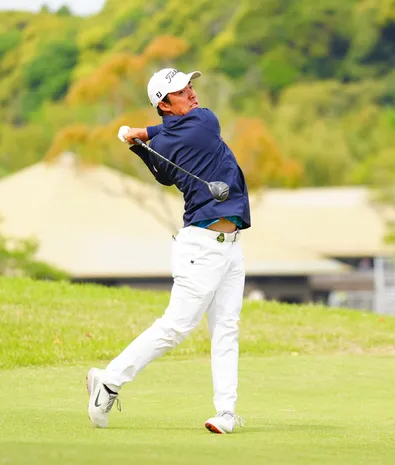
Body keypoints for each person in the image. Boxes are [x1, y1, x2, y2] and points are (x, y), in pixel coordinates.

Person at [85, 67, 251, 434]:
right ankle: (109, 380)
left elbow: (159, 158)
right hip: (202, 247)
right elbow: (162, 163)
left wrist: (139, 135)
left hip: (230, 247)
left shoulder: (173, 137)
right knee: (176, 326)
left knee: (226, 328)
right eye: (181, 91)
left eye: (190, 86)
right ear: (163, 104)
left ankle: (225, 412)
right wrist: (141, 137)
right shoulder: (203, 123)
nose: (192, 93)